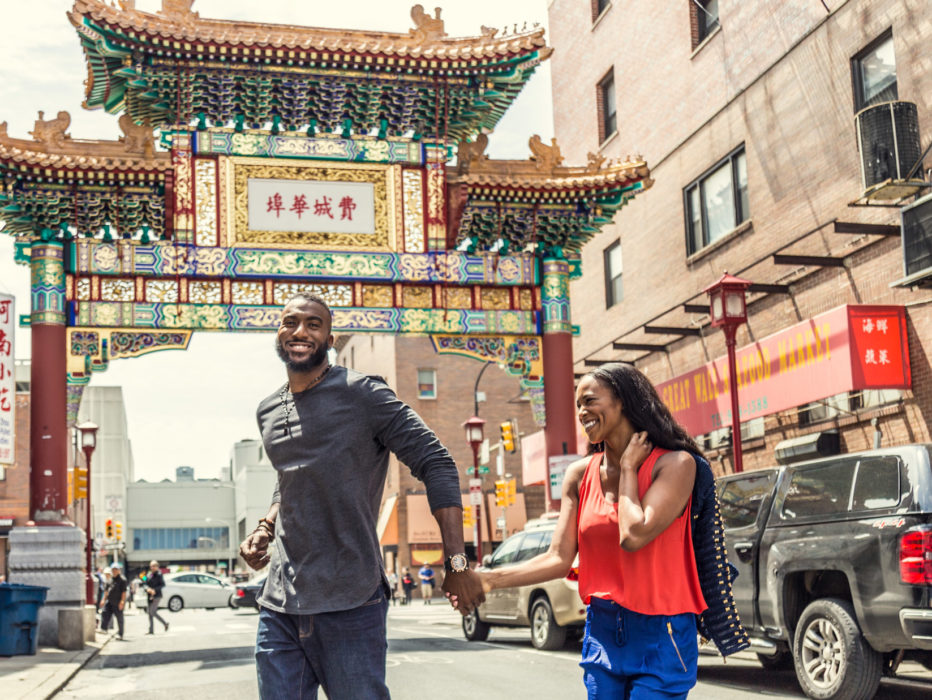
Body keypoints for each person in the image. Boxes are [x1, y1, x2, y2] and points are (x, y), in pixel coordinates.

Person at [239, 293, 483, 700]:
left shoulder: (363, 394)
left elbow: (436, 462)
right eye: (291, 322)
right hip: (280, 604)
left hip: (351, 600)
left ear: (331, 340)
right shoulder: (267, 410)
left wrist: (457, 561)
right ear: (278, 333)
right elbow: (291, 478)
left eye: (314, 324)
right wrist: (266, 526)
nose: (300, 331)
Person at [458, 363, 711, 699]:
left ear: (622, 400)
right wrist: (488, 579)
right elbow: (558, 558)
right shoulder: (579, 475)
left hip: (662, 633)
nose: (581, 412)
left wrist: (629, 469)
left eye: (590, 401)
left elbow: (633, 534)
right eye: (578, 405)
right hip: (603, 632)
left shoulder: (676, 464)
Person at [99, 562, 127, 640]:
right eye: (113, 569)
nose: (114, 571)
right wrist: (103, 600)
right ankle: (104, 629)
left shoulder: (122, 580)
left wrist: (122, 602)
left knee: (119, 618)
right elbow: (106, 591)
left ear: (118, 570)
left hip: (118, 602)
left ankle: (120, 634)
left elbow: (124, 592)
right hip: (110, 601)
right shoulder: (110, 579)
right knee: (105, 612)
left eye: (116, 569)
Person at [144, 560, 170, 634]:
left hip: (157, 595)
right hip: (149, 595)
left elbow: (163, 585)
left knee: (152, 612)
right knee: (149, 613)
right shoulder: (149, 574)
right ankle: (151, 630)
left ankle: (165, 623)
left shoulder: (159, 574)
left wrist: (154, 590)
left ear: (157, 567)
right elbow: (145, 583)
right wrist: (147, 589)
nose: (152, 567)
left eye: (154, 566)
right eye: (151, 566)